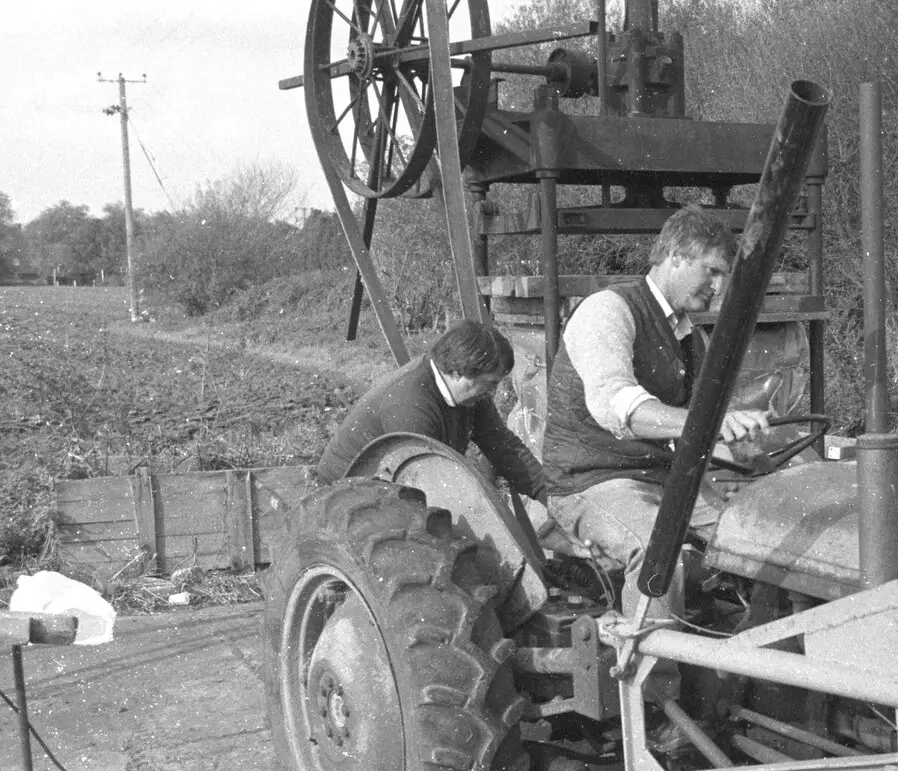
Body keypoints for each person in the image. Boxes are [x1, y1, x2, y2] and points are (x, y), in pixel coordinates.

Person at [541, 204, 769, 628]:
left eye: (724, 277)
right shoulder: (607, 311)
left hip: (661, 479)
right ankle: (657, 685)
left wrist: (739, 431)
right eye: (712, 271)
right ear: (676, 257)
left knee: (756, 538)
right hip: (591, 480)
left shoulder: (689, 337)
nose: (718, 289)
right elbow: (616, 405)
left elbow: (697, 418)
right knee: (657, 551)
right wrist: (709, 424)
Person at [316, 319, 544, 499]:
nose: (493, 393)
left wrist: (550, 496)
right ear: (458, 372)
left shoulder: (472, 394)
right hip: (346, 495)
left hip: (403, 482)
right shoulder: (410, 405)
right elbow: (429, 487)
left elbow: (504, 448)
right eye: (490, 383)